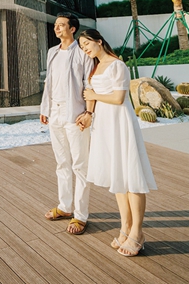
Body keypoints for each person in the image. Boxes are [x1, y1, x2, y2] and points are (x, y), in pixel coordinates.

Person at [79, 29, 156, 257]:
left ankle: (137, 233)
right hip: (104, 124)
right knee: (118, 178)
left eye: (87, 43)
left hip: (120, 122)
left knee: (132, 178)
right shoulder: (95, 67)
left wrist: (94, 96)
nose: (84, 49)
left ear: (99, 41)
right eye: (82, 46)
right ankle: (125, 228)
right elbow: (90, 94)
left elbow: (119, 97)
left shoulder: (117, 65)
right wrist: (88, 114)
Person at [39, 13, 96, 235]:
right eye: (56, 25)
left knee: (80, 166)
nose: (57, 28)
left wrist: (89, 113)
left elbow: (89, 84)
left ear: (72, 29)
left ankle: (80, 215)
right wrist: (45, 108)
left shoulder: (82, 53)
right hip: (54, 113)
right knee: (61, 162)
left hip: (76, 115)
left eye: (61, 25)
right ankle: (65, 206)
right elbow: (49, 83)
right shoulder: (52, 52)